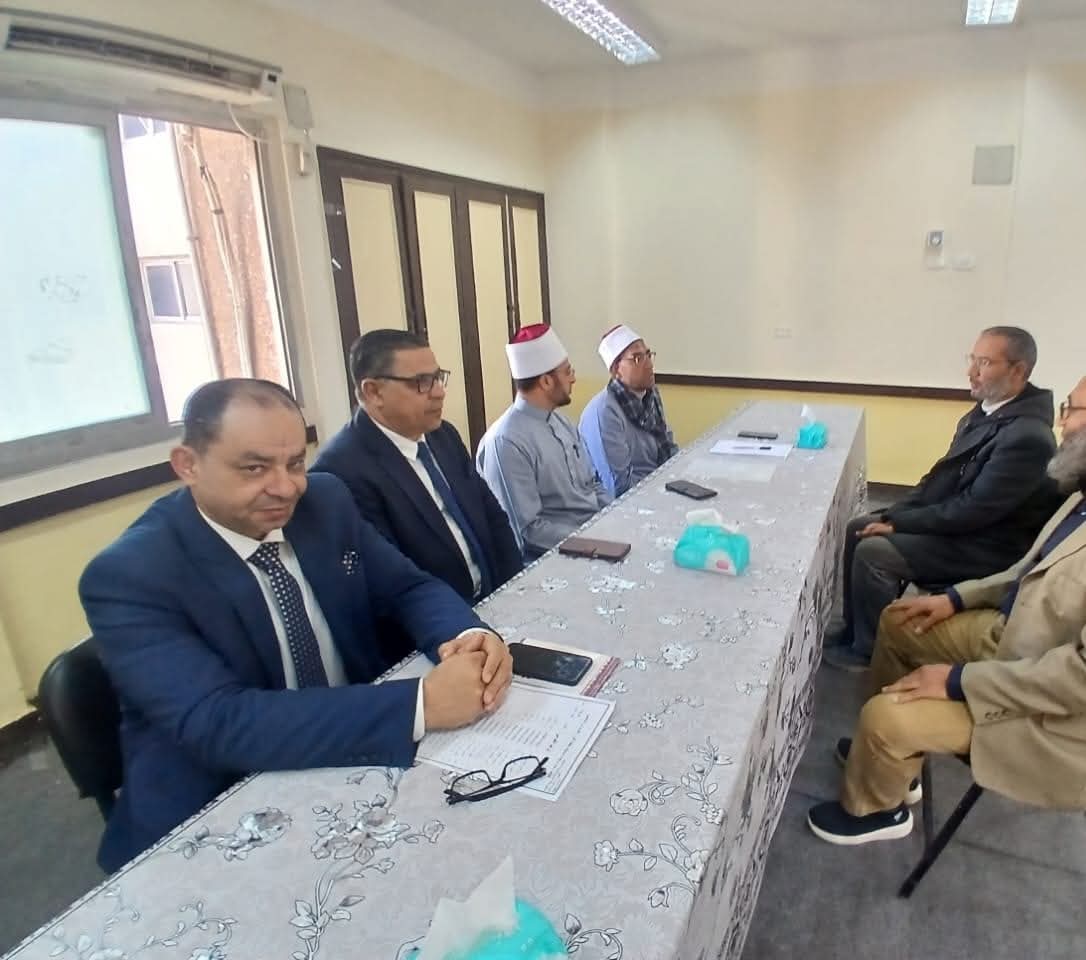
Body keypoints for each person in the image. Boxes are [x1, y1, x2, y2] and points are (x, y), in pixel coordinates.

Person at [80, 379, 513, 872]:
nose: (285, 487)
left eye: (294, 463)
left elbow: (408, 587)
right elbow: (218, 722)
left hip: (350, 752)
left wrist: (467, 637)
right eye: (254, 468)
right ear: (188, 465)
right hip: (222, 804)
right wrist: (422, 703)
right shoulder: (132, 574)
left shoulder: (324, 503)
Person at [808, 378, 1086, 844]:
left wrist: (958, 681)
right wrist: (953, 599)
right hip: (1014, 634)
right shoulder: (1078, 497)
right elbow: (1024, 572)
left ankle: (877, 809)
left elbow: (1076, 679)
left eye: (1074, 411)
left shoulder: (1027, 441)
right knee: (901, 619)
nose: (1063, 423)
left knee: (888, 716)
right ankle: (890, 760)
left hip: (1052, 710)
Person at [824, 326, 1061, 671]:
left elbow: (973, 511)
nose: (971, 372)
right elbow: (940, 478)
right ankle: (853, 630)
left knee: (875, 552)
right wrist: (896, 514)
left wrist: (899, 524)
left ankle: (869, 650)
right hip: (963, 527)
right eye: (972, 359)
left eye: (984, 363)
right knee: (860, 526)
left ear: (1018, 370)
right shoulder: (986, 413)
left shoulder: (1027, 438)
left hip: (987, 546)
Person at [311, 329, 522, 615]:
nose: (439, 392)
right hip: (438, 622)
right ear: (373, 392)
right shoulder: (343, 471)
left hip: (497, 598)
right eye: (421, 382)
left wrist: (515, 591)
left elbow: (492, 515)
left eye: (437, 377)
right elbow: (391, 579)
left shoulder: (443, 435)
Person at [476, 324, 611, 559]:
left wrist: (616, 518)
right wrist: (593, 541)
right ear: (546, 381)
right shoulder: (506, 442)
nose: (573, 378)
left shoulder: (562, 422)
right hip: (555, 557)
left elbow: (593, 485)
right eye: (567, 372)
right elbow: (527, 532)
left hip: (596, 538)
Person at [579, 324, 678, 497]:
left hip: (659, 486)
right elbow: (618, 487)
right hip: (629, 501)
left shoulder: (651, 395)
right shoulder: (605, 412)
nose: (648, 364)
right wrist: (663, 491)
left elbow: (668, 448)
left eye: (648, 355)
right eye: (637, 358)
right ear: (616, 370)